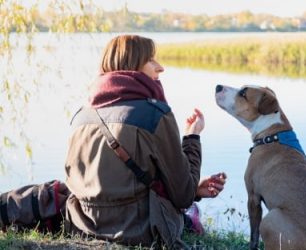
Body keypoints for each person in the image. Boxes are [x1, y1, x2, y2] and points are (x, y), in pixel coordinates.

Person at [0, 34, 226, 248]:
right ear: (132, 64)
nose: (160, 67)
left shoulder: (82, 116)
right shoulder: (155, 114)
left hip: (82, 226)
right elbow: (183, 194)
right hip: (142, 232)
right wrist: (192, 137)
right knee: (188, 209)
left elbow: (80, 182)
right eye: (150, 59)